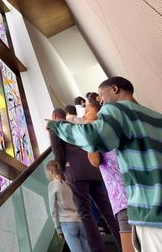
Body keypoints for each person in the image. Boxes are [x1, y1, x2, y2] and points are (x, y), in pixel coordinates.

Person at [47, 76, 162, 252]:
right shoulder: (156, 117)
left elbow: (94, 138)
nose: (101, 101)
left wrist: (56, 127)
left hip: (148, 209)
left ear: (115, 89)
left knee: (87, 211)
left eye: (101, 96)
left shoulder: (116, 111)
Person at [49, 108, 121, 252]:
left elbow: (58, 152)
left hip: (75, 172)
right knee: (107, 209)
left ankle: (98, 249)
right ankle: (124, 243)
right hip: (93, 170)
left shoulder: (55, 127)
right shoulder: (77, 125)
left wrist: (62, 173)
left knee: (85, 212)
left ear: (55, 116)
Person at [84, 101, 134, 252]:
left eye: (87, 110)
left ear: (99, 112)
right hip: (135, 195)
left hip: (123, 201)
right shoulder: (115, 130)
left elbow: (95, 161)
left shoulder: (98, 135)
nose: (84, 115)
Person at [46, 160, 91, 252]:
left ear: (52, 171)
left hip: (67, 223)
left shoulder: (53, 185)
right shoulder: (69, 184)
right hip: (79, 221)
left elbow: (53, 209)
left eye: (47, 172)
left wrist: (57, 227)